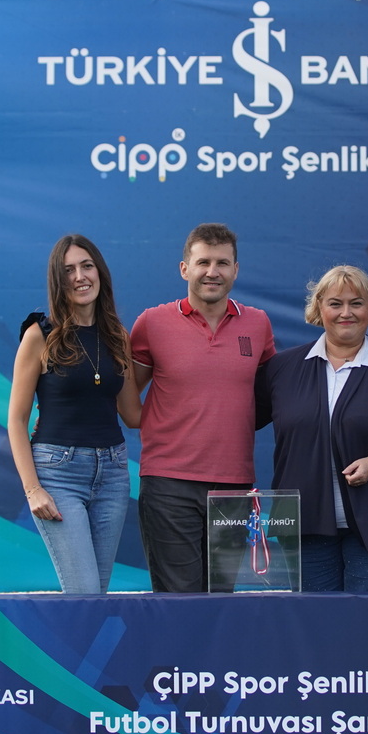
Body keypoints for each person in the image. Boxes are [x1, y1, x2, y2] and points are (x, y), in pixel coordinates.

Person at [257, 266, 368, 592]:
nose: (346, 313)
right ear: (319, 308)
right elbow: (242, 418)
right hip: (304, 525)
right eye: (335, 303)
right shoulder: (282, 370)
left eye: (356, 303)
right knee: (316, 622)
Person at [130, 223, 275, 592]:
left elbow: (267, 395)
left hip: (234, 486)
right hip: (168, 485)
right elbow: (127, 392)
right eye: (203, 262)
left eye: (222, 263)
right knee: (179, 600)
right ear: (185, 269)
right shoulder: (152, 323)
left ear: (235, 270)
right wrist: (151, 424)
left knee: (220, 599)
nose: (213, 272)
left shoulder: (258, 324)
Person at [8, 234, 142, 594]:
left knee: (96, 596)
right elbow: (17, 420)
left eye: (87, 266)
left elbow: (133, 414)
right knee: (84, 593)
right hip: (59, 474)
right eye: (69, 270)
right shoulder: (40, 335)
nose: (80, 277)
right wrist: (33, 489)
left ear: (100, 272)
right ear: (58, 279)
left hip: (113, 474)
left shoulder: (117, 336)